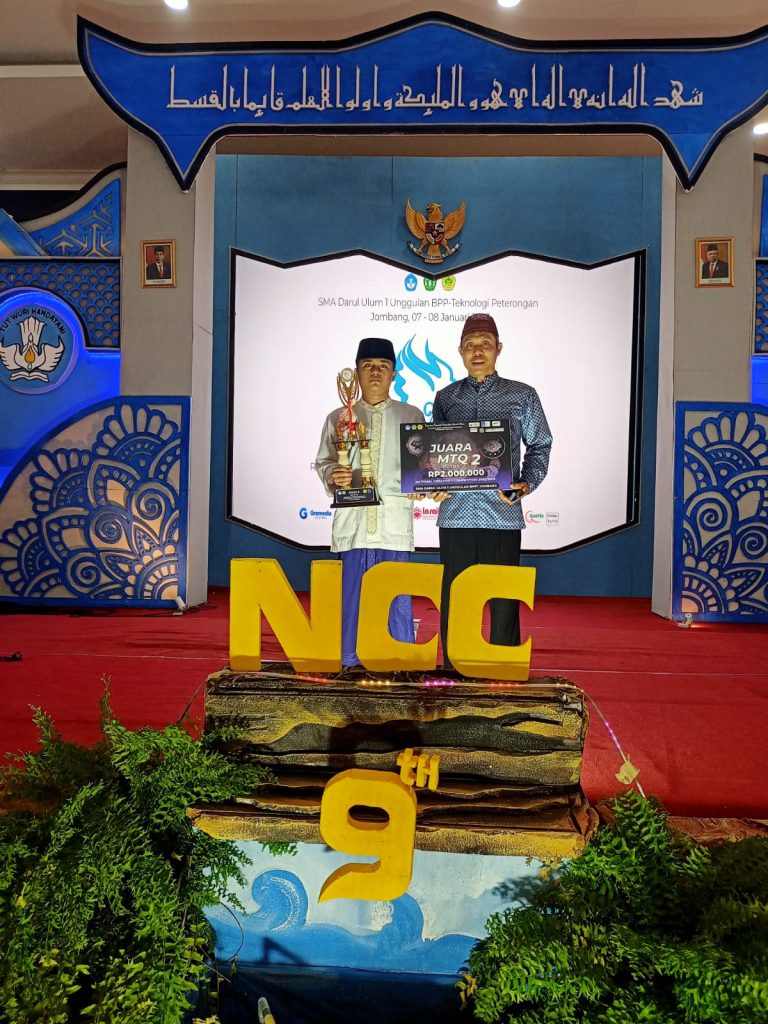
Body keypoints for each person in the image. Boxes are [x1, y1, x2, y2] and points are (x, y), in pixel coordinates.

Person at [431, 312, 552, 670]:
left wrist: (526, 483)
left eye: (485, 344)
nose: (477, 352)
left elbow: (541, 444)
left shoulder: (522, 396)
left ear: (499, 348)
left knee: (503, 598)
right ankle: (455, 670)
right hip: (456, 515)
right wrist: (435, 484)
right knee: (456, 596)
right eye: (470, 346)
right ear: (460, 352)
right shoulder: (446, 398)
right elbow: (435, 454)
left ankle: (503, 670)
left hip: (502, 513)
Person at [315, 337, 424, 667]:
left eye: (383, 366)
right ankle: (349, 662)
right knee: (351, 596)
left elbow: (424, 465)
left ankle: (399, 662)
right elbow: (323, 462)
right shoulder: (338, 417)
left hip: (393, 524)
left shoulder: (411, 414)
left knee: (396, 599)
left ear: (394, 374)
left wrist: (423, 484)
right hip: (354, 523)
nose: (375, 372)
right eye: (368, 366)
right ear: (356, 373)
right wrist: (333, 474)